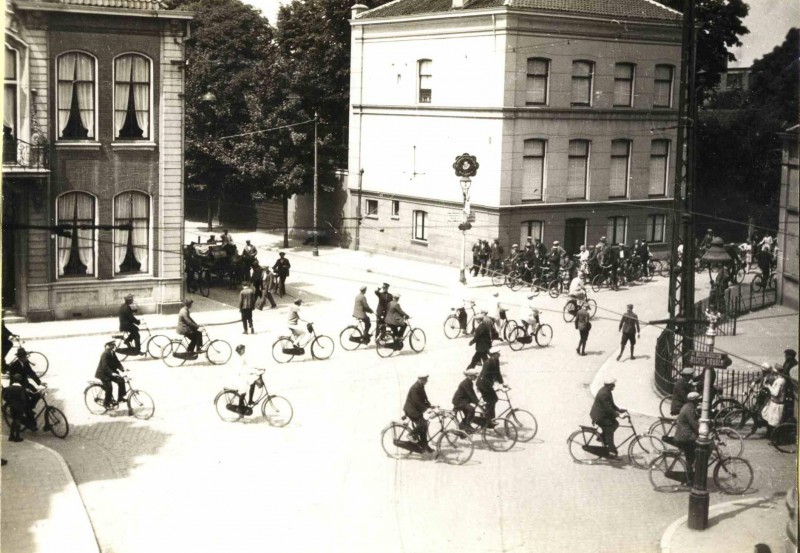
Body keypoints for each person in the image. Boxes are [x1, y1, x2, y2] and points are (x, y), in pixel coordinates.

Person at [590, 377, 627, 457]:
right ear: (608, 385)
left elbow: (612, 405)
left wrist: (619, 410)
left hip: (603, 414)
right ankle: (611, 451)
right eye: (613, 385)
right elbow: (608, 409)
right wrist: (618, 415)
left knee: (615, 423)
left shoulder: (607, 391)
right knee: (609, 429)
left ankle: (602, 437)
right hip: (599, 416)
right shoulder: (604, 394)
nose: (614, 386)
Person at [6, 348, 43, 424]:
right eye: (25, 357)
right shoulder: (14, 366)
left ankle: (30, 408)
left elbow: (31, 373)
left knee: (37, 395)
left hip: (26, 384)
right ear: (21, 358)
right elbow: (13, 380)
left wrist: (39, 382)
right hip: (17, 387)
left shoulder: (26, 363)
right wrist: (23, 389)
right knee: (26, 401)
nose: (27, 358)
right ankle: (28, 414)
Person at [674, 391, 701, 481]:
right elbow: (694, 424)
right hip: (685, 436)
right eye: (698, 400)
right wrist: (702, 432)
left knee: (690, 457)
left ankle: (690, 474)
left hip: (684, 434)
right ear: (694, 401)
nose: (699, 401)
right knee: (699, 450)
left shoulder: (688, 406)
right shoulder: (689, 409)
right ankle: (690, 476)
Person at [403, 374, 434, 453]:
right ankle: (411, 434)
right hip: (411, 410)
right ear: (420, 379)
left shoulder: (421, 386)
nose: (427, 381)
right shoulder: (415, 388)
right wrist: (426, 409)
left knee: (424, 426)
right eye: (425, 379)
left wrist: (430, 406)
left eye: (426, 379)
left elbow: (424, 399)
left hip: (416, 410)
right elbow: (417, 402)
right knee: (423, 424)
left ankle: (425, 445)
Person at [95, 341, 126, 409]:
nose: (113, 346)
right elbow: (104, 366)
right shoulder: (105, 354)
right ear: (108, 346)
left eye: (113, 344)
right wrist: (112, 373)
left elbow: (117, 362)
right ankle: (106, 403)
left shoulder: (112, 352)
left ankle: (120, 398)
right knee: (109, 387)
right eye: (112, 345)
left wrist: (123, 369)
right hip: (103, 374)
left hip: (110, 373)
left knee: (121, 380)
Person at [233, 344, 263, 414]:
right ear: (240, 351)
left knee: (252, 383)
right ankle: (240, 410)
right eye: (243, 350)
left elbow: (248, 366)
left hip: (243, 376)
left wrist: (257, 369)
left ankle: (250, 400)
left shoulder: (242, 357)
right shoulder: (238, 359)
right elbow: (244, 370)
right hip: (238, 378)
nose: (244, 351)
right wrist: (255, 372)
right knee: (243, 391)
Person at [478, 348, 506, 422]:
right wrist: (493, 385)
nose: (499, 355)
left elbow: (498, 372)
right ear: (493, 354)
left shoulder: (496, 361)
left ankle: (490, 418)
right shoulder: (487, 363)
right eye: (498, 353)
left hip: (488, 384)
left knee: (494, 399)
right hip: (483, 384)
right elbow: (483, 377)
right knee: (491, 400)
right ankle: (487, 419)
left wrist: (502, 383)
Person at [4, 374, 32, 441]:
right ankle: (17, 436)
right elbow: (23, 398)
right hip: (19, 407)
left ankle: (11, 436)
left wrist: (10, 402)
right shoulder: (21, 388)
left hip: (12, 406)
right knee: (18, 420)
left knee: (14, 420)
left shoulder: (9, 387)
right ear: (20, 380)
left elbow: (4, 396)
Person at [761, 364, 786, 438]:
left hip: (777, 404)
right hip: (774, 403)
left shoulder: (779, 381)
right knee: (770, 419)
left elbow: (775, 393)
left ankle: (775, 439)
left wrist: (769, 386)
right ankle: (771, 436)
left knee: (775, 422)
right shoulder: (781, 380)